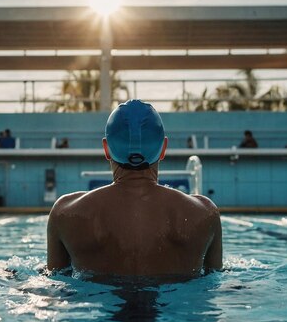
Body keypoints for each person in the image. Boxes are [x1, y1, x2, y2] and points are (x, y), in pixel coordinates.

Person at [47, 99, 222, 277]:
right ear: (163, 148)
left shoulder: (65, 212)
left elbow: (54, 284)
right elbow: (217, 281)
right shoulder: (205, 213)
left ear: (106, 149)